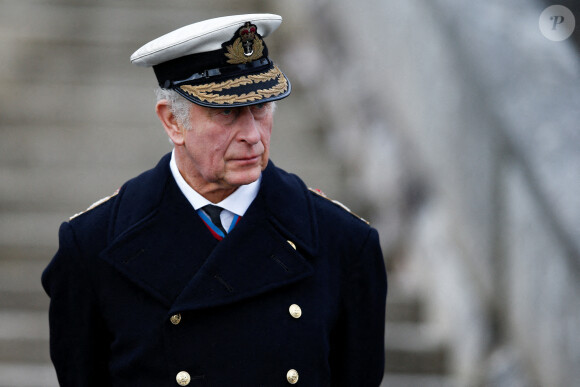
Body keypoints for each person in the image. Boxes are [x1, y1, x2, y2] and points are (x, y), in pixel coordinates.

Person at [41, 13, 387, 386]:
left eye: (261, 108)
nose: (253, 135)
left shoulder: (345, 244)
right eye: (228, 113)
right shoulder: (92, 246)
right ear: (173, 122)